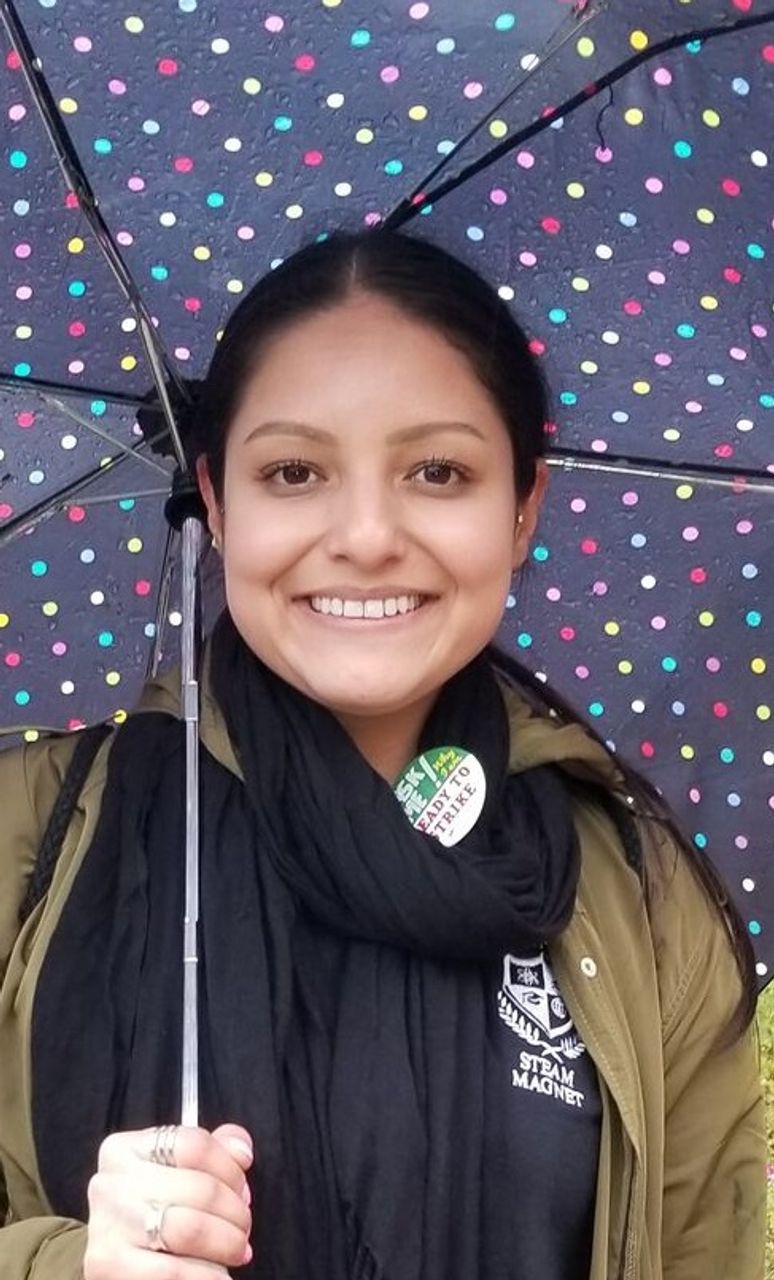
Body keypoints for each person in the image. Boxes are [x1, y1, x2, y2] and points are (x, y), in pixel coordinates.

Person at [0, 229, 766, 1280]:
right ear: (217, 503)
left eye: (439, 471)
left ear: (523, 507)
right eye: (294, 471)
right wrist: (69, 1264)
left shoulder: (636, 892)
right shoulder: (27, 835)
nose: (365, 535)